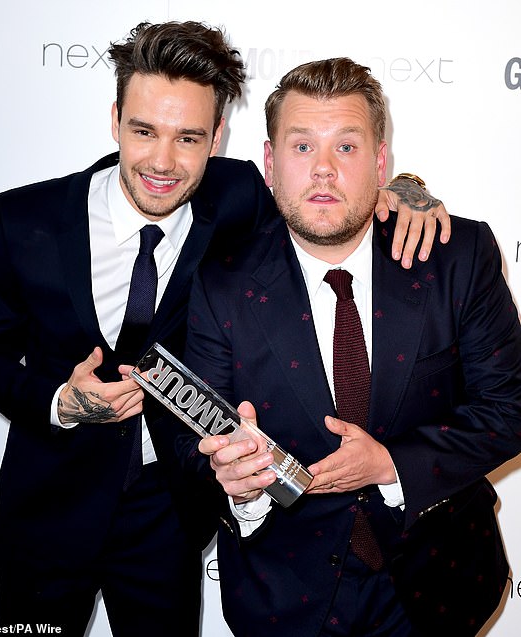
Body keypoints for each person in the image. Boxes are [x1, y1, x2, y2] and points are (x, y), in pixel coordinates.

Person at [0, 18, 448, 637]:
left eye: (188, 138)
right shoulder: (22, 218)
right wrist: (60, 401)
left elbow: (330, 190)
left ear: (217, 137)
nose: (163, 162)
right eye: (143, 131)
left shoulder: (242, 194)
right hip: (48, 509)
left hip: (170, 513)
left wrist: (404, 189)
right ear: (114, 120)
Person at [188, 57, 521, 637]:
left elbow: (512, 407)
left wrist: (394, 464)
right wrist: (232, 481)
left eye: (346, 147)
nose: (322, 171)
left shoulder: (457, 256)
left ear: (381, 162)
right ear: (269, 162)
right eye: (301, 147)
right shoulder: (221, 281)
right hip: (282, 596)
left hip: (438, 585)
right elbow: (190, 452)